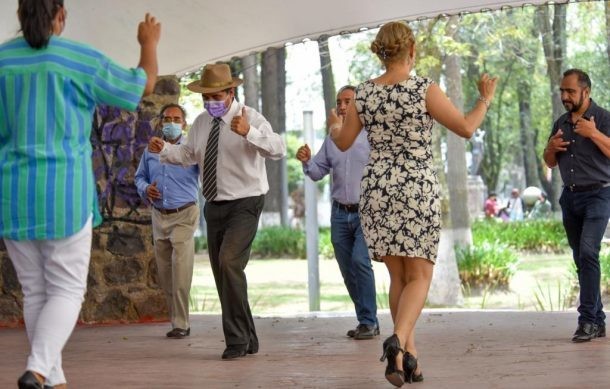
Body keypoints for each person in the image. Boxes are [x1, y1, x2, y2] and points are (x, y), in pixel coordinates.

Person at [0, 1, 160, 388]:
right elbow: (143, 86)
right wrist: (148, 43)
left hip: (13, 193)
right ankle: (38, 368)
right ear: (61, 16)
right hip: (64, 194)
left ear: (20, 17)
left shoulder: (3, 60)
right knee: (67, 290)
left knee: (37, 290)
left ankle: (51, 379)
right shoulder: (77, 59)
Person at [328, 21, 497, 386]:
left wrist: (333, 127)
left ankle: (408, 360)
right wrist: (484, 99)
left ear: (382, 51)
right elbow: (466, 128)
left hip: (377, 187)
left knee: (398, 277)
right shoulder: (424, 89)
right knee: (420, 275)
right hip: (415, 185)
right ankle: (398, 342)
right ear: (412, 50)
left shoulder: (363, 94)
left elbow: (343, 142)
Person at [148, 63, 286, 359]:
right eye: (205, 97)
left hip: (246, 204)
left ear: (230, 92)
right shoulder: (200, 123)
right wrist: (163, 150)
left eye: (215, 96)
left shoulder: (249, 117)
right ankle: (248, 336)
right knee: (224, 274)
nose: (210, 102)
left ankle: (235, 341)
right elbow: (188, 154)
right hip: (214, 205)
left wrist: (249, 132)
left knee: (228, 262)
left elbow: (278, 148)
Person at [296, 85, 380, 340]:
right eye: (339, 102)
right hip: (340, 214)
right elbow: (317, 171)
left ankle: (369, 321)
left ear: (359, 104)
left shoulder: (372, 135)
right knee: (347, 269)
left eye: (348, 101)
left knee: (359, 261)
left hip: (366, 212)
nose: (342, 106)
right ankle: (366, 320)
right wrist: (306, 160)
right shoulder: (331, 138)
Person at [543, 68, 610, 343]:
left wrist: (593, 133)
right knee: (580, 259)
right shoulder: (561, 122)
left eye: (570, 91)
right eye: (562, 91)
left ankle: (587, 321)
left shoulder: (604, 118)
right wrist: (550, 148)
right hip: (569, 198)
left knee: (587, 253)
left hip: (599, 195)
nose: (565, 96)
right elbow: (549, 162)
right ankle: (599, 320)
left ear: (586, 91)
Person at [135, 104, 199, 340]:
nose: (171, 123)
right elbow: (139, 177)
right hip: (159, 216)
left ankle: (182, 323)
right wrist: (145, 189)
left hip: (185, 213)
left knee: (181, 270)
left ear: (183, 123)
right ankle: (176, 322)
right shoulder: (149, 150)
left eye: (177, 119)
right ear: (161, 121)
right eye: (167, 118)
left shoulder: (191, 148)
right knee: (165, 273)